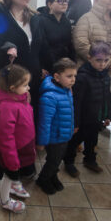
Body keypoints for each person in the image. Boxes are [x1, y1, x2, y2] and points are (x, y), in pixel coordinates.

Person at [0, 0, 49, 180]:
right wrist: (8, 47)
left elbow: (41, 48)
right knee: (3, 127)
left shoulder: (35, 18)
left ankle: (24, 166)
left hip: (30, 82)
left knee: (25, 125)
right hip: (5, 81)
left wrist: (48, 67)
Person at [0, 64, 35, 212]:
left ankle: (15, 184)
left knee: (15, 173)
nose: (28, 88)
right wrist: (11, 159)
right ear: (12, 88)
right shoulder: (6, 108)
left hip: (21, 145)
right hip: (12, 151)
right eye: (25, 85)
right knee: (8, 175)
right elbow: (5, 138)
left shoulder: (18, 97)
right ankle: (5, 201)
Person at [63, 42, 111, 176]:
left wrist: (107, 115)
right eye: (98, 60)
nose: (102, 64)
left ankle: (90, 160)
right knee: (74, 142)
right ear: (89, 58)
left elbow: (107, 97)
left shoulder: (106, 76)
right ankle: (68, 162)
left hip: (96, 118)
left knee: (92, 140)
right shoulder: (82, 77)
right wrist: (76, 123)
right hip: (84, 119)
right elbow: (77, 102)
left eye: (106, 60)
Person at [35, 58, 77, 194]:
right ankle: (43, 179)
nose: (73, 80)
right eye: (69, 76)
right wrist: (41, 142)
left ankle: (52, 175)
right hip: (54, 137)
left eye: (74, 76)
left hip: (63, 135)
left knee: (57, 159)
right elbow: (44, 122)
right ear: (57, 77)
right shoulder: (50, 97)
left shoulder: (66, 90)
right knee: (53, 160)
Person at [35, 0, 75, 69]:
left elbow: (69, 45)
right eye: (60, 1)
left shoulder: (66, 22)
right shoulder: (40, 20)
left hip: (63, 65)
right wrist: (40, 67)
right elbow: (40, 47)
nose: (64, 3)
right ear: (50, 4)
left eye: (66, 1)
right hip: (46, 66)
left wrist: (72, 63)